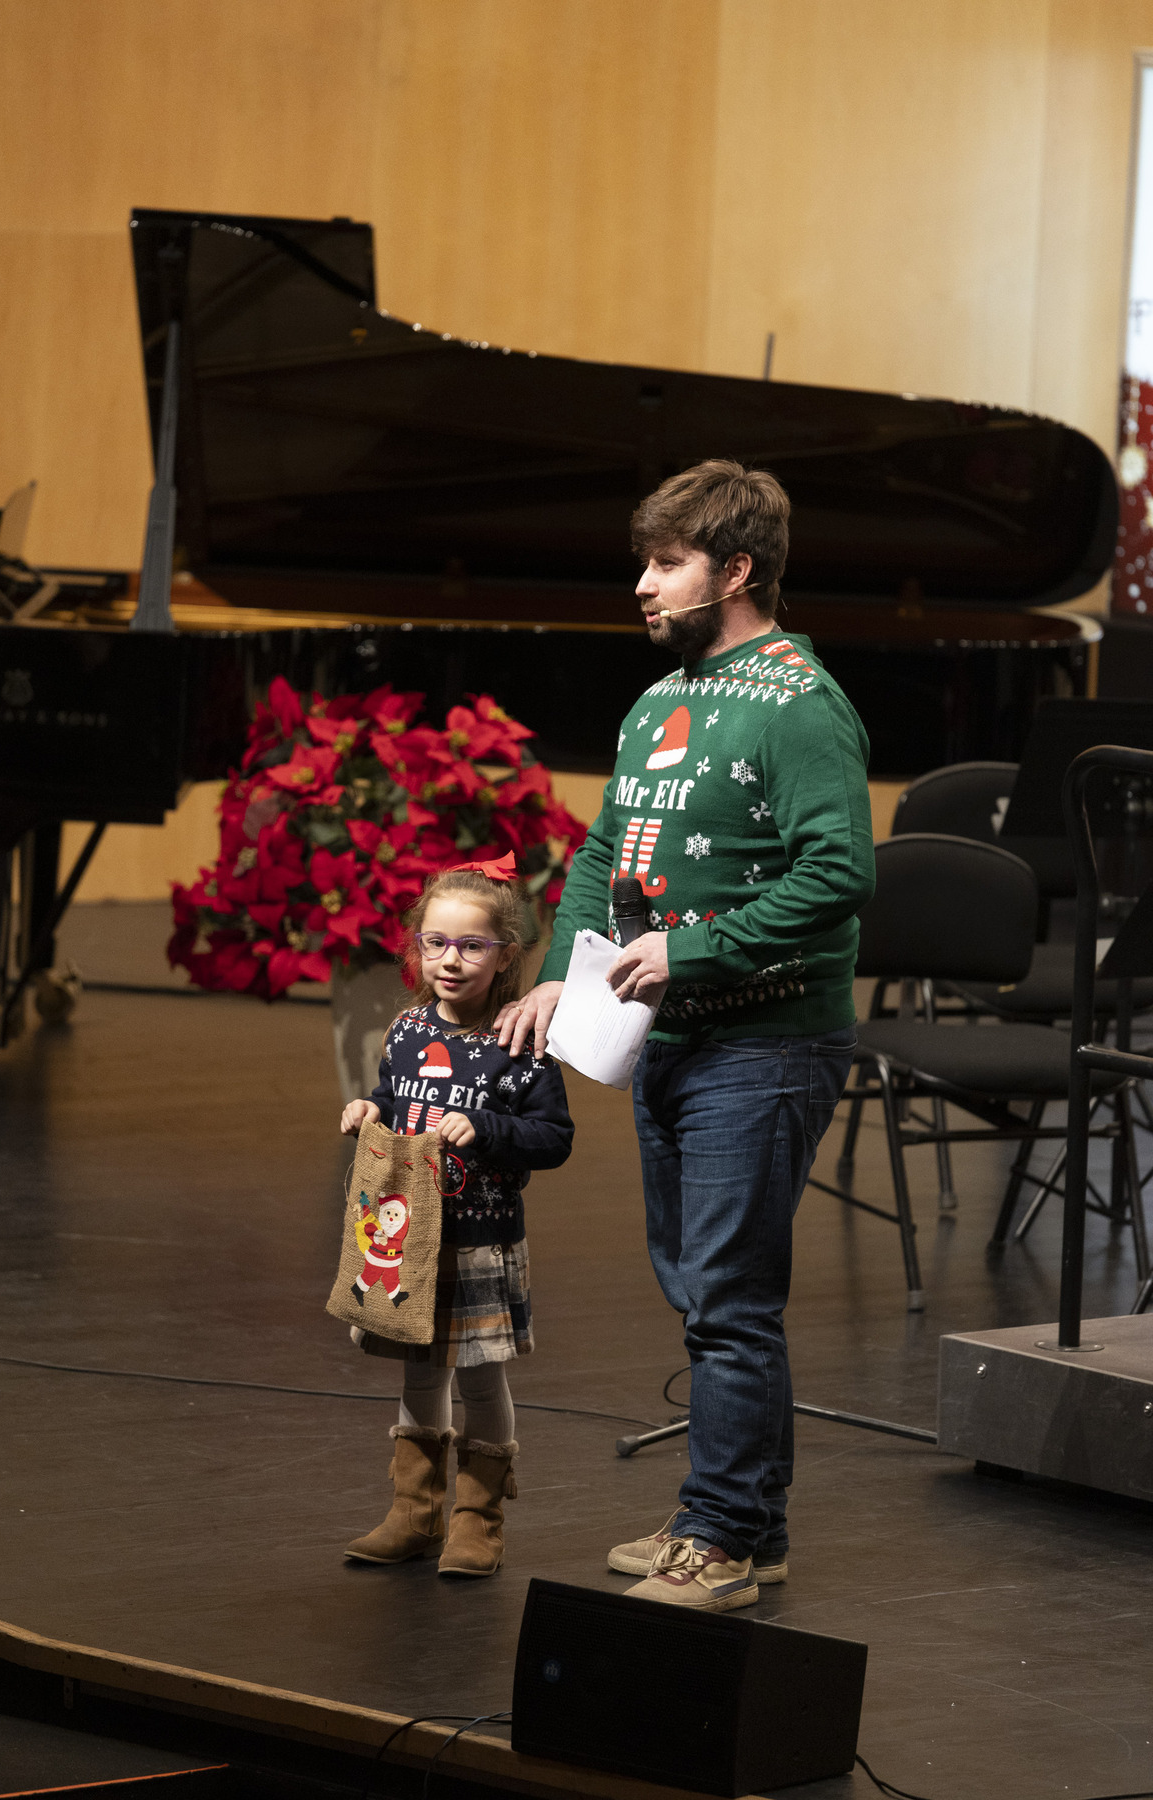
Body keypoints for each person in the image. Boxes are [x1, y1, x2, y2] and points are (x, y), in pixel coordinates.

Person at [495, 460, 874, 1614]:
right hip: (674, 1043)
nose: (646, 588)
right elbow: (604, 855)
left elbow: (841, 872)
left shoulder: (800, 702)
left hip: (765, 1044)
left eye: (668, 564)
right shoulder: (659, 702)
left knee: (727, 1295)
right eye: (645, 565)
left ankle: (722, 1537)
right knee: (702, 1289)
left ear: (738, 570)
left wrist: (692, 951)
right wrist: (564, 971)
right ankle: (738, 1523)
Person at [339, 857, 574, 1578]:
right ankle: (414, 1513)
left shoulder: (522, 1047)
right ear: (416, 946)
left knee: (477, 1379)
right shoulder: (407, 1028)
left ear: (506, 955)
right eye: (435, 942)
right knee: (417, 1376)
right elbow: (393, 1089)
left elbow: (554, 1139)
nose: (450, 959)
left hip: (477, 1241)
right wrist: (370, 1108)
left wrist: (492, 1130)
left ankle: (478, 1520)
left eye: (472, 945)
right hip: (408, 1239)